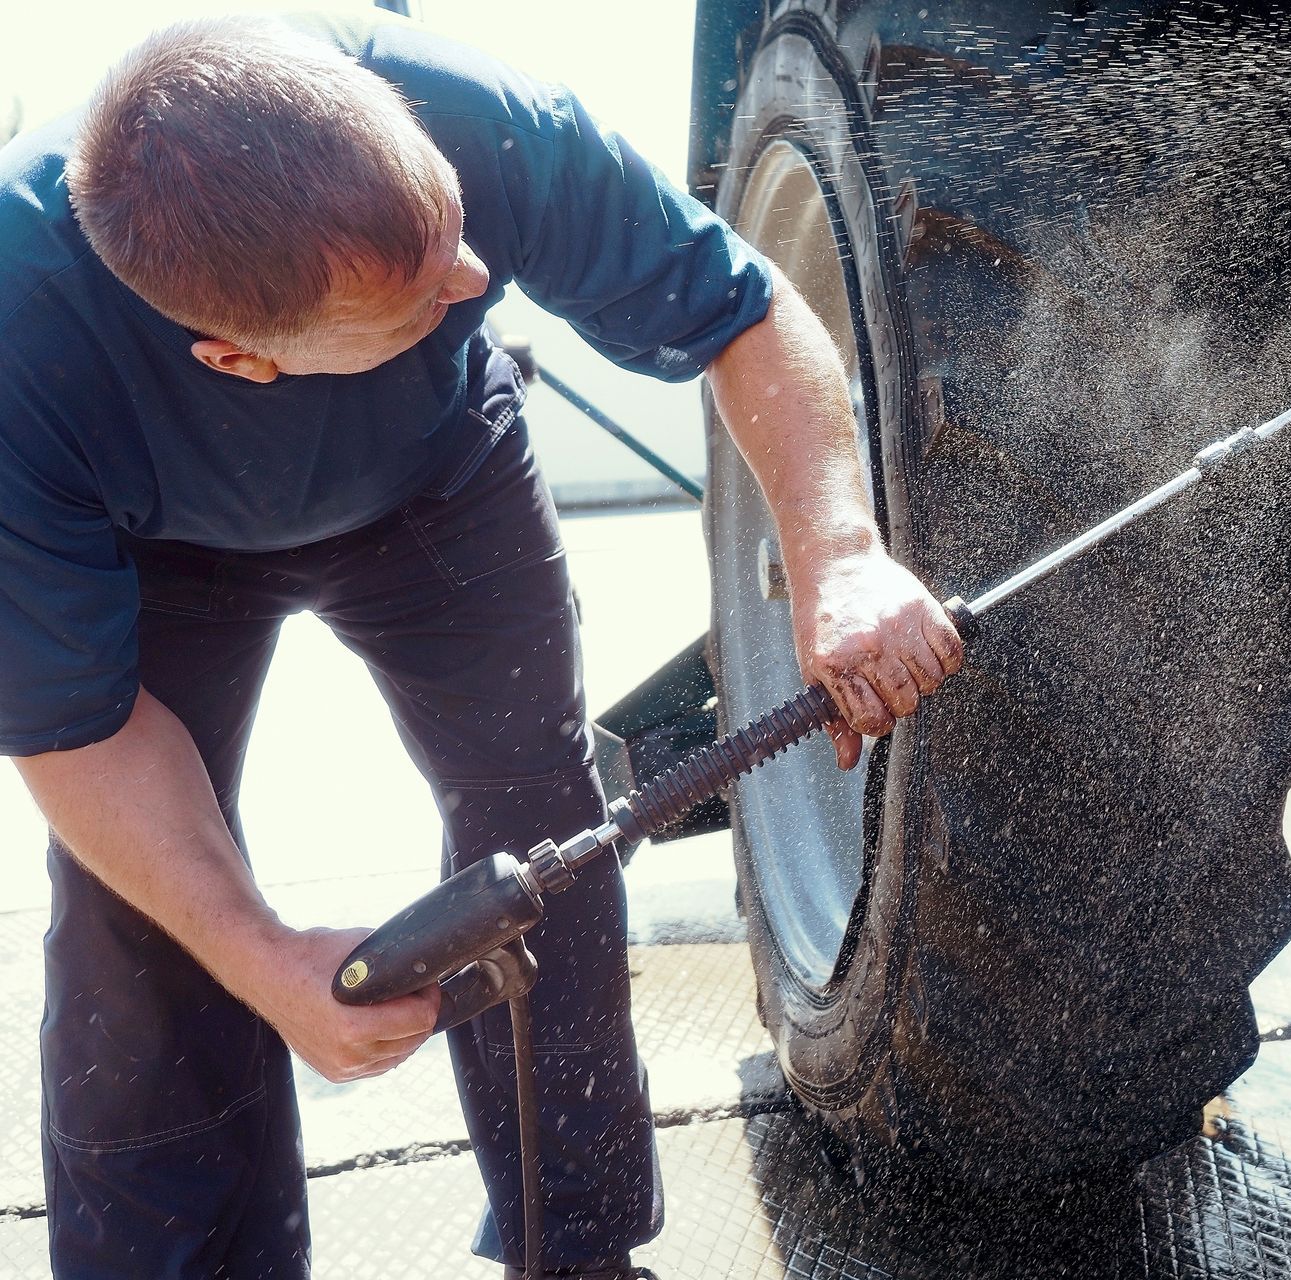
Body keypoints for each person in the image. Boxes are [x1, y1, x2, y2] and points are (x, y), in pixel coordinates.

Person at [0, 13, 962, 1279]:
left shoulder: (480, 115)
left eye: (454, 227)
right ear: (242, 357)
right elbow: (74, 726)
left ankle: (578, 1247)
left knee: (542, 832)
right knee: (151, 919)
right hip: (155, 540)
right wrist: (264, 956)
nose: (473, 278)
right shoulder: (22, 344)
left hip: (439, 471)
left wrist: (838, 552)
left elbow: (741, 308)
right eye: (416, 290)